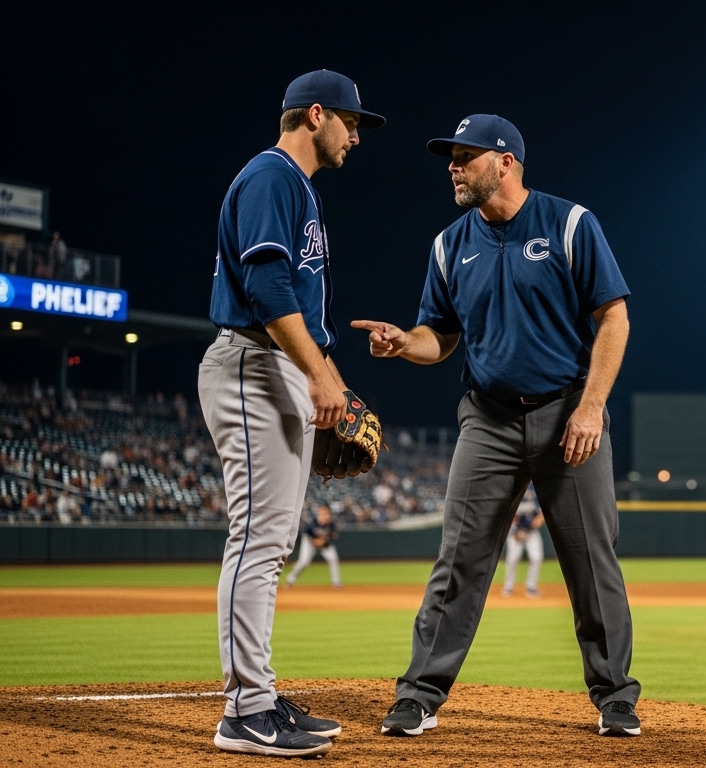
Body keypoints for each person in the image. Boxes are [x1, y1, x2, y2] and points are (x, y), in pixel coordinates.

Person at [351, 113, 640, 738]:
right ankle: (420, 693)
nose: (452, 167)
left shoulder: (569, 223)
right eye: (450, 158)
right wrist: (406, 343)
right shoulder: (450, 243)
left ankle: (615, 696)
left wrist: (591, 407)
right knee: (459, 558)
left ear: (505, 161)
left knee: (593, 561)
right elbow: (440, 337)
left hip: (569, 412)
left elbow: (612, 318)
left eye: (465, 156)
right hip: (487, 417)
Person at [198, 69, 383, 758]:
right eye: (351, 121)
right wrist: (321, 372)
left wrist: (313, 373)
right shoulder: (273, 176)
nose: (357, 135)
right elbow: (269, 284)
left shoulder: (293, 185)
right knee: (258, 541)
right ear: (314, 115)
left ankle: (259, 695)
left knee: (271, 544)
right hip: (253, 361)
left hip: (271, 366)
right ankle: (244, 712)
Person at [501, 484, 546, 598]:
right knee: (512, 558)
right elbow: (507, 513)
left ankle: (531, 587)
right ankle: (508, 586)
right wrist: (515, 531)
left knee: (536, 557)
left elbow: (541, 514)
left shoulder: (535, 489)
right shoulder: (512, 488)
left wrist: (530, 527)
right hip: (514, 531)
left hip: (531, 531)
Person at [286, 504, 342, 588]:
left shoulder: (331, 523)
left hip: (324, 543)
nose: (324, 514)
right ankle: (290, 579)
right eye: (322, 512)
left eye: (325, 512)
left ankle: (336, 582)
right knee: (304, 561)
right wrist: (315, 541)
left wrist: (324, 540)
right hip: (309, 542)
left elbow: (334, 535)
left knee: (333, 558)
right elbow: (306, 534)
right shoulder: (313, 522)